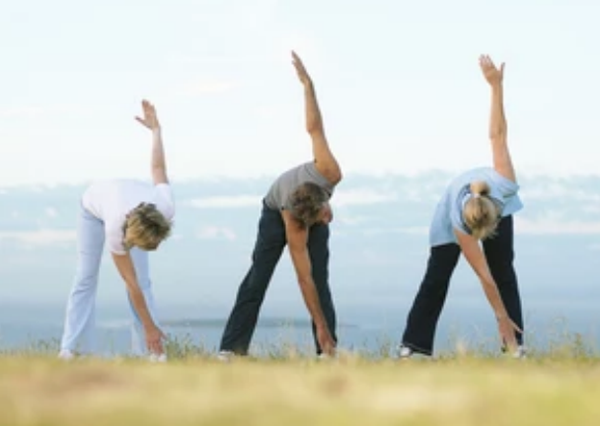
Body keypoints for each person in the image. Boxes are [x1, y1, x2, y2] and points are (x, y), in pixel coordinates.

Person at [398, 55, 525, 359]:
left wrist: (496, 86)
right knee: (437, 276)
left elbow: (497, 134)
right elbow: (483, 275)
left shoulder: (503, 185)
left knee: (504, 269)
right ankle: (413, 347)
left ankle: (515, 347)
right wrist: (499, 317)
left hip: (489, 206)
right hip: (450, 216)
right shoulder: (457, 221)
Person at [218, 51, 343, 360]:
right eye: (320, 221)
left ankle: (326, 349)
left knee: (321, 279)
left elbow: (314, 128)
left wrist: (307, 85)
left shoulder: (328, 171)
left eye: (324, 216)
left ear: (325, 197)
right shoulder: (293, 220)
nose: (327, 221)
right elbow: (303, 278)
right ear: (305, 221)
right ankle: (231, 350)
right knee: (258, 277)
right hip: (274, 210)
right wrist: (316, 320)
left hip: (299, 198)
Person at [58, 100, 174, 361]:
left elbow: (157, 169)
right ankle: (71, 349)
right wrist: (150, 326)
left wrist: (156, 131)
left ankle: (149, 353)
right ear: (129, 237)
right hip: (93, 208)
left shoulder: (165, 207)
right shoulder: (114, 230)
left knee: (145, 281)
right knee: (86, 276)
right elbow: (129, 284)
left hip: (128, 202)